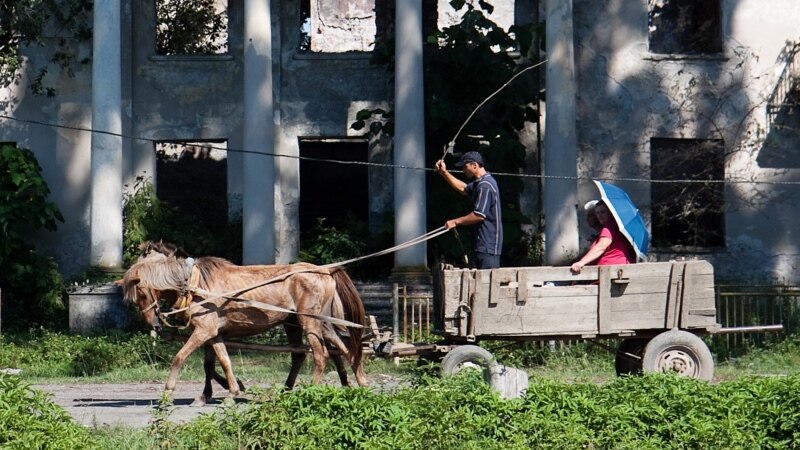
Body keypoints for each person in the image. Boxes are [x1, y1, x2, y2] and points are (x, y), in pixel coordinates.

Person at [434, 151, 503, 269]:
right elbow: (463, 188)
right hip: (482, 244)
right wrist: (444, 173)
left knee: (487, 284)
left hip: (488, 246)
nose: (463, 170)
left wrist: (455, 221)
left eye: (465, 166)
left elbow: (479, 215)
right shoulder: (480, 183)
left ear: (475, 165)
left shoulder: (485, 185)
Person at [570, 200, 635, 273]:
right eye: (597, 213)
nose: (600, 216)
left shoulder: (609, 228)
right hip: (615, 270)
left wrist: (581, 262)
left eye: (603, 212)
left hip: (609, 272)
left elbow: (601, 246)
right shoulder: (616, 227)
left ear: (610, 213)